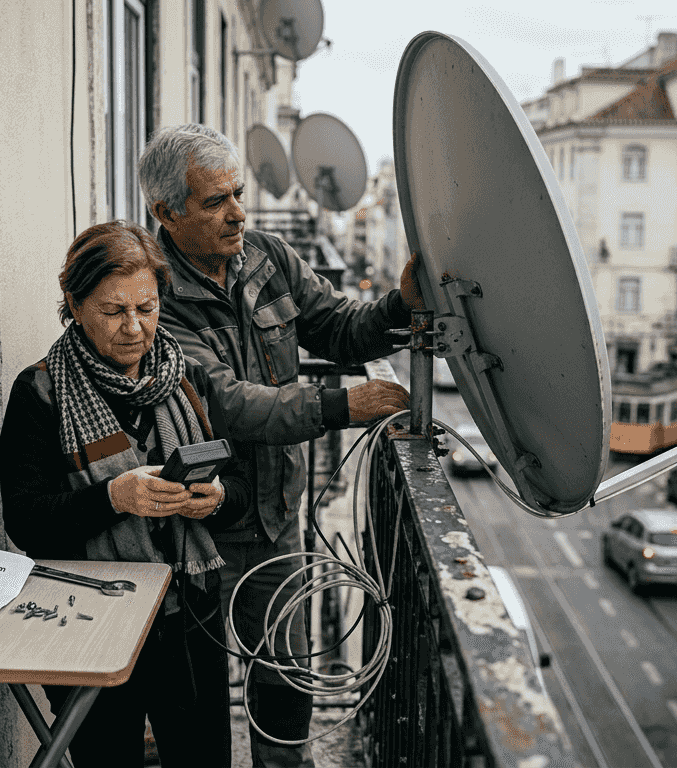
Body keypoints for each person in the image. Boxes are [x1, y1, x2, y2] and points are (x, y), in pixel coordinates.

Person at [139, 123, 423, 767]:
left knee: (283, 684)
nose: (237, 212)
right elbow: (226, 403)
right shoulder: (154, 296)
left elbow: (340, 330)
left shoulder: (267, 257)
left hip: (274, 519)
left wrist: (398, 307)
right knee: (198, 705)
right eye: (214, 202)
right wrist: (339, 405)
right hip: (197, 529)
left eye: (237, 193)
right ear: (166, 212)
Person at [0, 221, 250, 768]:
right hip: (88, 624)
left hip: (189, 618)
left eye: (148, 307)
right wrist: (114, 496)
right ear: (74, 302)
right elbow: (26, 521)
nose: (135, 328)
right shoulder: (41, 392)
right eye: (114, 311)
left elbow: (242, 490)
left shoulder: (187, 380)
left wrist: (218, 498)